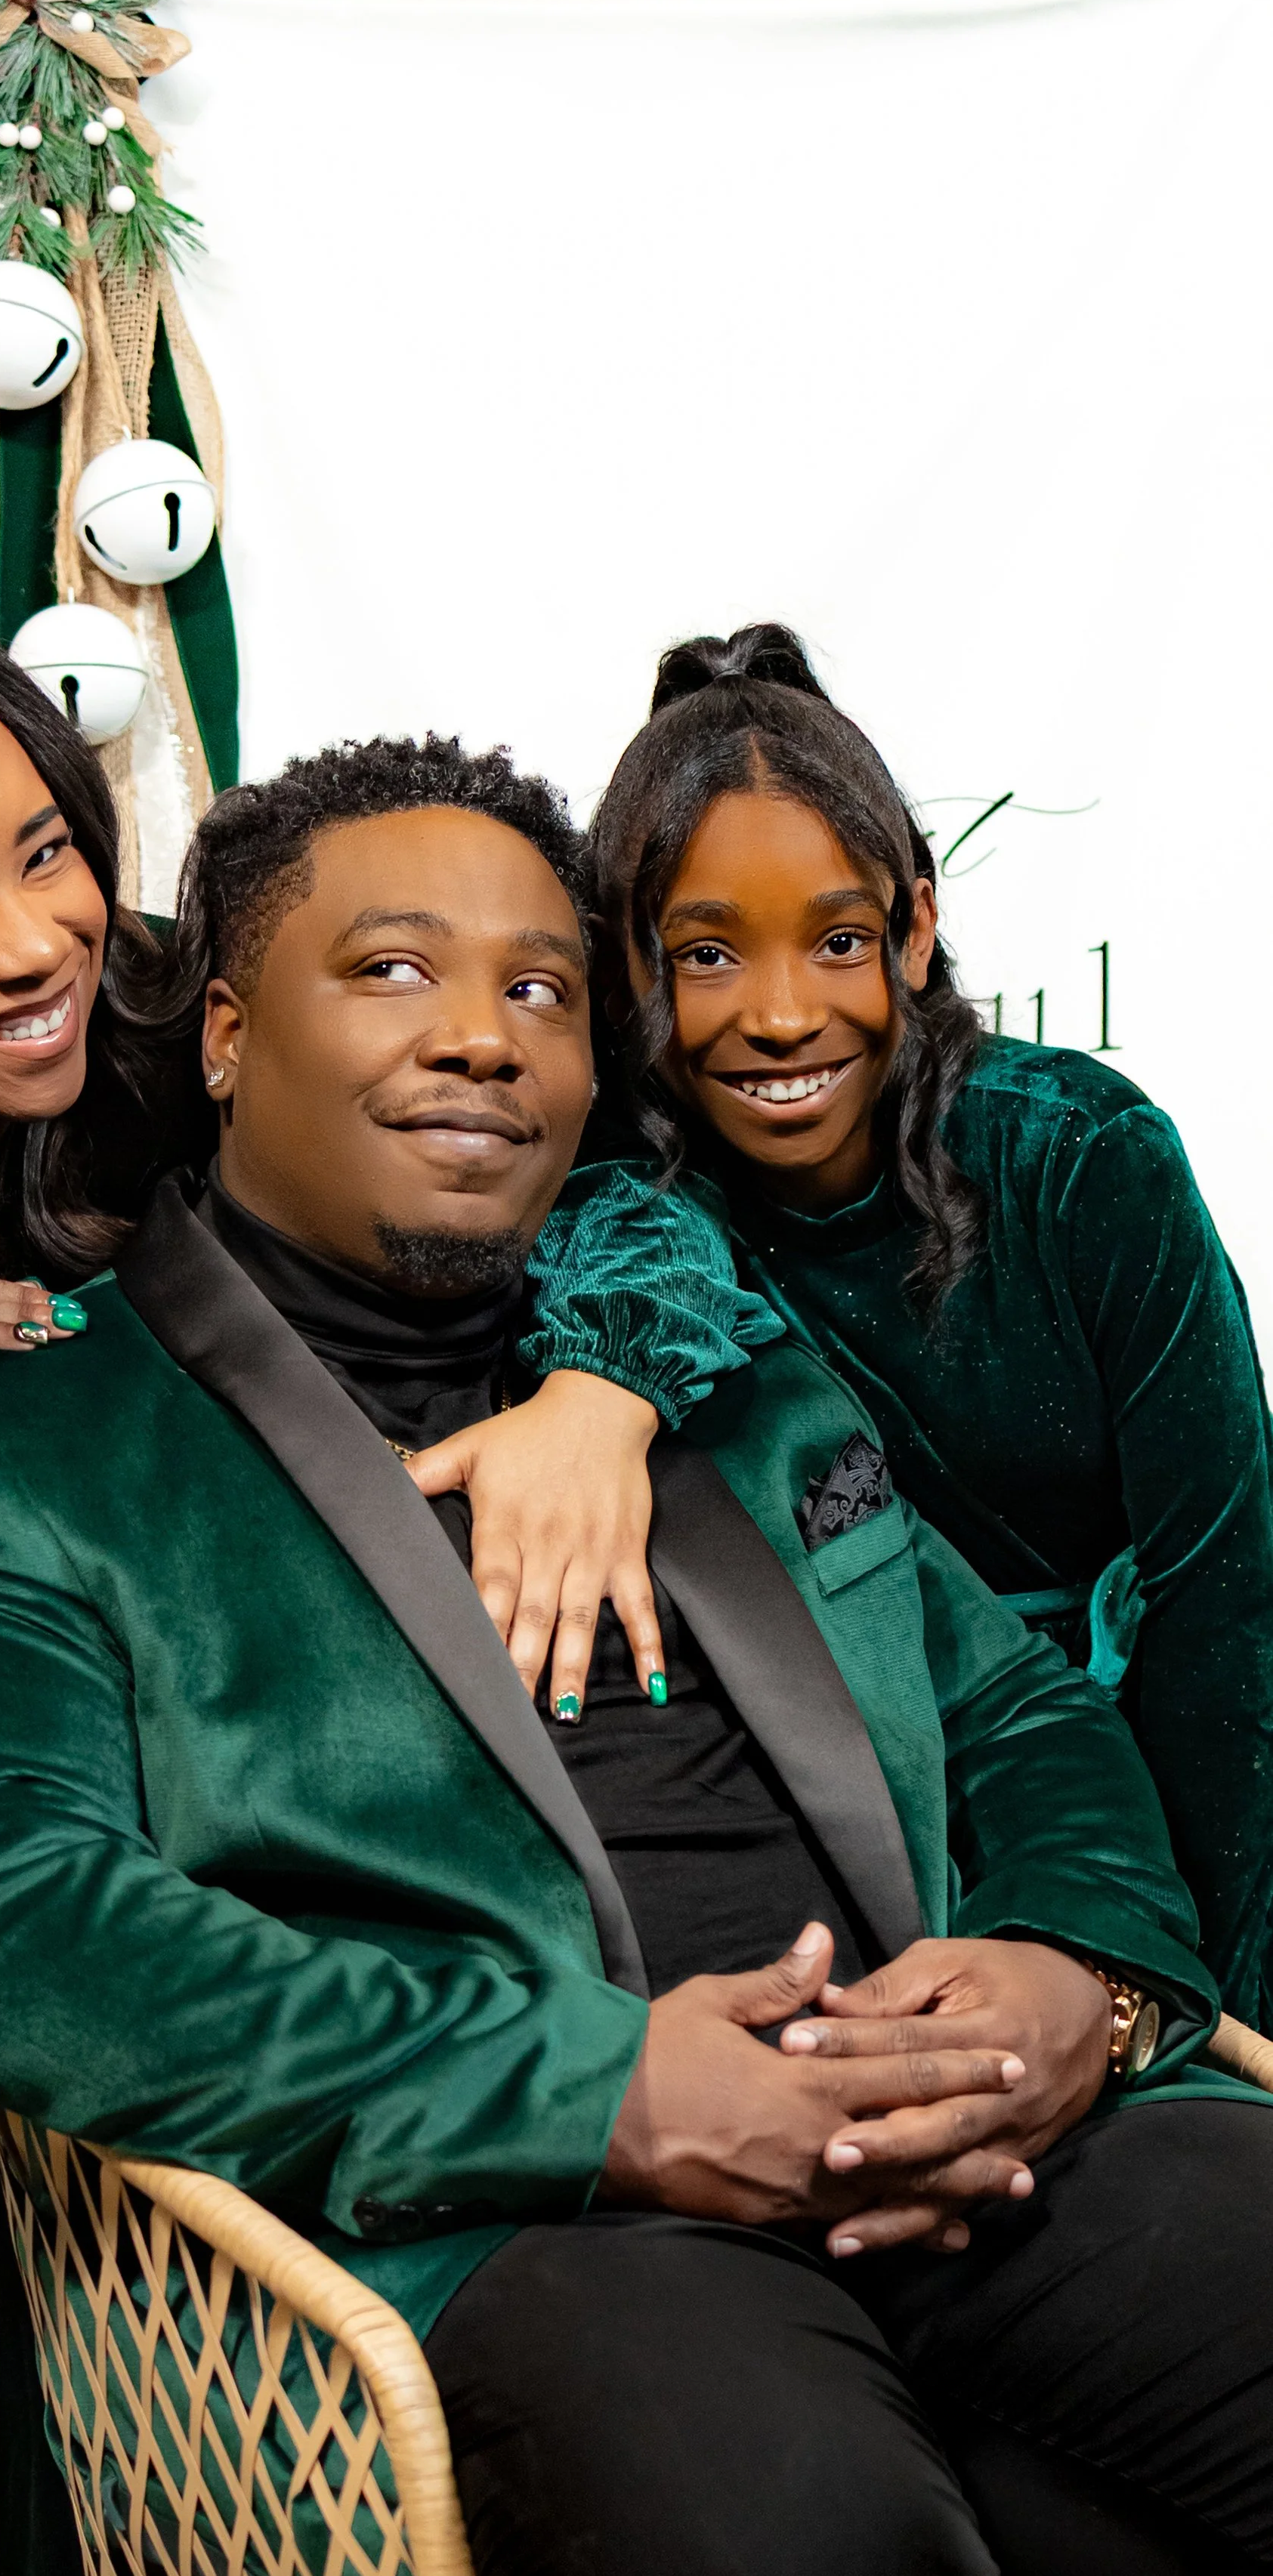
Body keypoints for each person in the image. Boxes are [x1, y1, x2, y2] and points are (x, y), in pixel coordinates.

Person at [0, 737, 1273, 2576]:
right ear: (224, 1032)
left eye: (541, 987)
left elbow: (1001, 1698)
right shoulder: (11, 1452)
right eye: (391, 970)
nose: (480, 1034)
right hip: (531, 2204)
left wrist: (1080, 1974)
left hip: (979, 2116)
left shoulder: (717, 1381)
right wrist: (594, 2083)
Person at [499, 623, 1273, 2030]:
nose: (783, 1014)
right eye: (709, 953)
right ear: (624, 964)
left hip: (1153, 1812)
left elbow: (1232, 1621)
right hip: (852, 1832)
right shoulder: (617, 1196)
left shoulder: (1084, 1158)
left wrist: (1205, 2008)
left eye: (840, 941)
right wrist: (600, 1388)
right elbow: (635, 1237)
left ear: (915, 928)